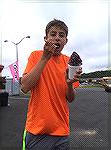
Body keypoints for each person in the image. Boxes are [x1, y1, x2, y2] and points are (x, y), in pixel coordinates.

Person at [21, 19, 82, 150]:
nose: (57, 38)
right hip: (37, 132)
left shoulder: (69, 62)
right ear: (46, 38)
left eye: (61, 35)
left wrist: (70, 84)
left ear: (66, 40)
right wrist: (45, 58)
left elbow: (71, 99)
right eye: (53, 34)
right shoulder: (36, 56)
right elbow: (24, 87)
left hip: (62, 133)